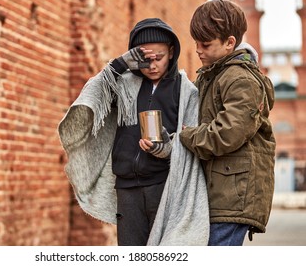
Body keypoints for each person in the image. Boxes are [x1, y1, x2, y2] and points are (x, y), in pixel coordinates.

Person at [58, 18, 209, 246]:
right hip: (126, 187)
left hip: (164, 186)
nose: (153, 65)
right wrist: (120, 64)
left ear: (171, 52)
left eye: (159, 57)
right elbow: (91, 96)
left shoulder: (185, 90)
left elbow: (191, 137)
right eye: (145, 59)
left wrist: (167, 149)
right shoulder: (123, 83)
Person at [179, 0, 276, 246]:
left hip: (234, 194)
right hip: (220, 191)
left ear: (230, 43)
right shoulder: (213, 75)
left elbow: (226, 133)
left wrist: (186, 135)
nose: (198, 50)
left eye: (206, 44)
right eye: (196, 43)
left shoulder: (241, 79)